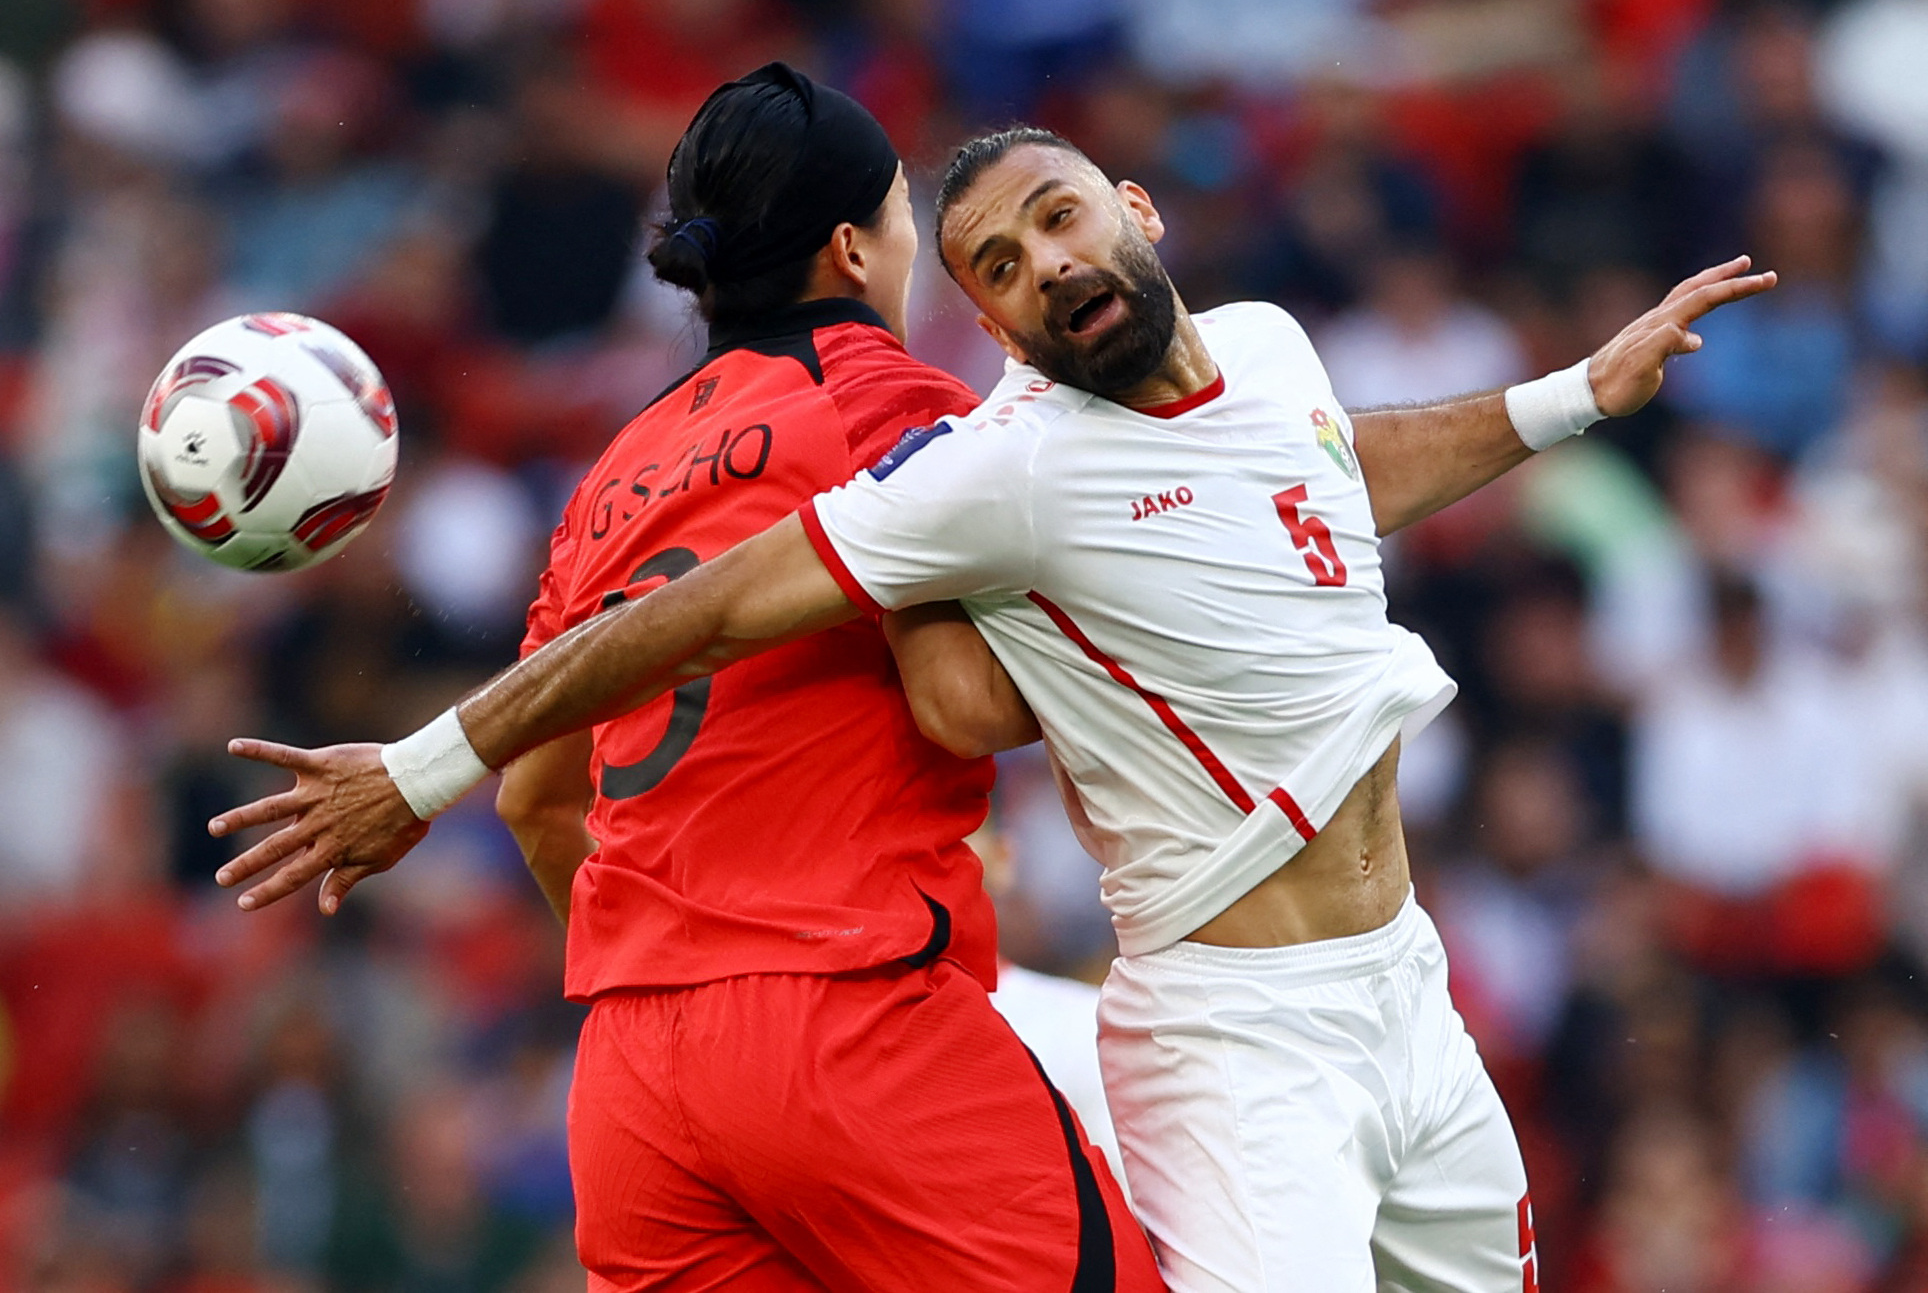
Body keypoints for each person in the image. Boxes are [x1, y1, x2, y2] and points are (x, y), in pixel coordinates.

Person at [209, 126, 1774, 1291]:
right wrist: (420, 767)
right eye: (1000, 273)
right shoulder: (997, 461)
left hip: (1405, 992)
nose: (1050, 269)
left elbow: (1334, 461)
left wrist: (1577, 393)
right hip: (1233, 1040)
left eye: (1058, 220)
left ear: (1136, 208)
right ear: (977, 321)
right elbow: (721, 615)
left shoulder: (1267, 348)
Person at [281, 68, 1163, 1293]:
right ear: (856, 247)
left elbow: (540, 803)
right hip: (846, 1022)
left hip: (634, 1083)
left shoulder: (609, 478)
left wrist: (681, 979)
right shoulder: (894, 404)